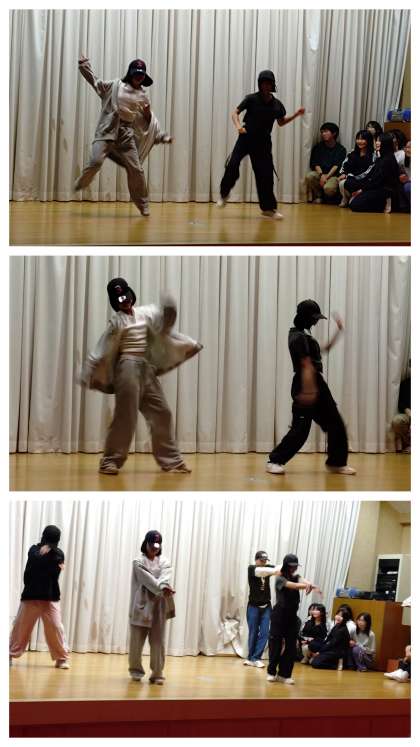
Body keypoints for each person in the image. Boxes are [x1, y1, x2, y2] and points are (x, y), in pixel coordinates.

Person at [80, 277, 203, 475]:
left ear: (131, 295)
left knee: (162, 412)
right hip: (126, 369)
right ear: (115, 302)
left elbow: (165, 325)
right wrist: (89, 369)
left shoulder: (146, 313)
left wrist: (170, 310)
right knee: (125, 416)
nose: (125, 301)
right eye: (120, 299)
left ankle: (171, 461)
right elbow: (101, 348)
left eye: (126, 296)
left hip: (146, 369)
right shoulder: (116, 322)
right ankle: (110, 461)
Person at [266, 299, 356, 476]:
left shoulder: (305, 335)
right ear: (305, 317)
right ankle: (274, 460)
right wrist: (309, 390)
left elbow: (323, 349)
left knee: (335, 423)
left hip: (316, 383)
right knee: (301, 429)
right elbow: (305, 364)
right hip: (306, 384)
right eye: (314, 318)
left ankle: (336, 463)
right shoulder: (297, 337)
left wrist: (338, 332)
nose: (316, 322)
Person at [74, 57, 172, 216]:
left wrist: (159, 133)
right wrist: (84, 66)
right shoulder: (115, 86)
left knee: (136, 169)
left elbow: (148, 121)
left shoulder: (143, 96)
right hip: (106, 131)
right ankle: (83, 181)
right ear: (130, 74)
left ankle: (143, 203)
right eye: (136, 74)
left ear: (144, 76)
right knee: (96, 162)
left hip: (125, 136)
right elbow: (96, 83)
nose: (138, 77)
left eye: (141, 74)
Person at [218, 70, 305, 219]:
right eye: (263, 83)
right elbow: (235, 113)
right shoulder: (251, 99)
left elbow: (281, 122)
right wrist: (238, 126)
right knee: (232, 164)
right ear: (260, 84)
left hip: (263, 143)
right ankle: (224, 194)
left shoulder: (277, 105)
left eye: (268, 83)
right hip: (245, 138)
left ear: (272, 85)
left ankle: (268, 209)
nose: (265, 85)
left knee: (265, 175)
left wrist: (296, 115)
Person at [9, 526, 70, 669]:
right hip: (31, 596)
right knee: (21, 627)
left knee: (56, 627)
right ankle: (9, 654)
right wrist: (44, 554)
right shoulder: (33, 550)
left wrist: (50, 552)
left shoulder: (58, 553)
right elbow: (35, 561)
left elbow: (55, 569)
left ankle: (61, 658)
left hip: (51, 598)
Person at [128, 531, 175, 685]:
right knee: (136, 641)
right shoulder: (138, 562)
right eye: (152, 545)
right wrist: (163, 587)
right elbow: (147, 579)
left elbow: (165, 576)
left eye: (157, 545)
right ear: (146, 544)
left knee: (158, 642)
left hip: (159, 606)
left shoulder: (165, 562)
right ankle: (136, 670)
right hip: (141, 605)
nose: (155, 548)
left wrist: (164, 585)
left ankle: (157, 673)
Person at [267, 554, 321, 684]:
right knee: (275, 645)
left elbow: (302, 580)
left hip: (292, 618)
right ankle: (271, 672)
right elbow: (294, 586)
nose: (294, 568)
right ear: (286, 566)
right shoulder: (280, 578)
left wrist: (310, 584)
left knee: (291, 647)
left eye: (295, 566)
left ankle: (284, 675)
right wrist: (307, 586)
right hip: (279, 616)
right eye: (292, 566)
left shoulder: (296, 576)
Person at [244, 551, 282, 668]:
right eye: (261, 560)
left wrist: (282, 567)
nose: (264, 562)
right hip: (253, 607)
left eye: (265, 560)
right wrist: (274, 570)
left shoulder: (267, 568)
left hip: (266, 607)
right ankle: (250, 657)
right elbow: (262, 571)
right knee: (253, 632)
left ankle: (256, 658)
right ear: (256, 560)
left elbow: (279, 568)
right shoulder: (251, 568)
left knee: (265, 633)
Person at [349, 132, 401, 213]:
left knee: (355, 205)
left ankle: (386, 201)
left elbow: (378, 181)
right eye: (377, 140)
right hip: (376, 187)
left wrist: (362, 190)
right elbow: (371, 175)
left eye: (379, 141)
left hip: (385, 190)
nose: (377, 143)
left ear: (385, 143)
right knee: (352, 196)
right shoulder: (381, 157)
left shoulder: (388, 159)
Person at [306, 123, 346, 203]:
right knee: (310, 176)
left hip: (333, 175)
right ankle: (318, 196)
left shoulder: (341, 149)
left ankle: (328, 199)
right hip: (320, 173)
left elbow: (336, 166)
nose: (323, 134)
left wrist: (327, 177)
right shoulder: (318, 147)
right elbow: (316, 163)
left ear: (334, 133)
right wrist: (321, 175)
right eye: (322, 132)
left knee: (329, 189)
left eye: (326, 131)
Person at [338, 130, 375, 207]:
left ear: (369, 140)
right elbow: (345, 165)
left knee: (353, 204)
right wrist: (344, 174)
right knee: (342, 182)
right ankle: (345, 198)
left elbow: (369, 172)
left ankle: (354, 197)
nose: (359, 141)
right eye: (358, 139)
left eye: (363, 139)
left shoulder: (374, 155)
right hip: (352, 179)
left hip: (365, 182)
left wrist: (349, 176)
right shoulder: (352, 153)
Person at [392, 365, 411, 453]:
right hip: (409, 414)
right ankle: (409, 444)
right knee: (397, 421)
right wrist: (408, 411)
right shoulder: (405, 384)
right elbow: (401, 403)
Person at [398, 141, 411, 211]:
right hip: (408, 181)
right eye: (406, 147)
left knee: (408, 187)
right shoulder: (403, 156)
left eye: (410, 147)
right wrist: (400, 174)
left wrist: (408, 179)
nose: (407, 150)